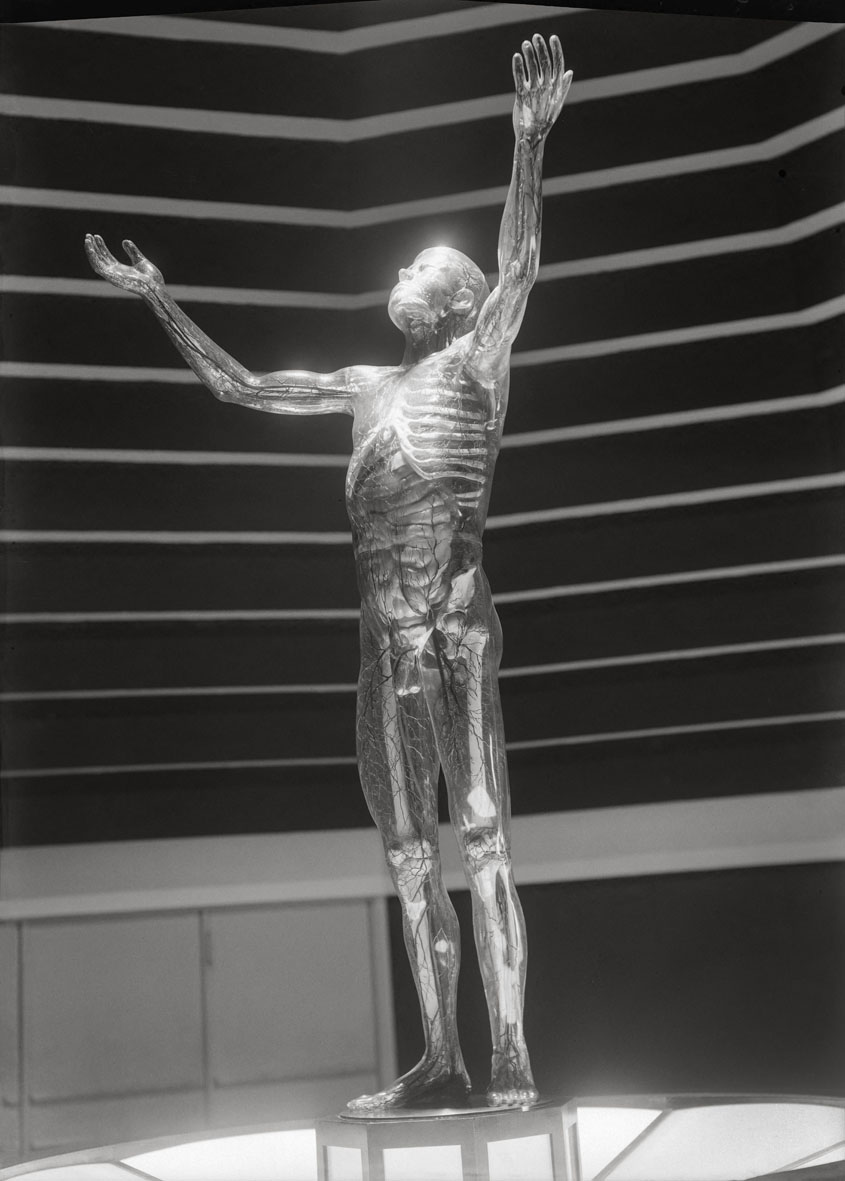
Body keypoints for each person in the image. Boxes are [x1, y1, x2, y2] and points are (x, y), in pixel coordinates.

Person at [85, 33, 572, 1109]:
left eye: (421, 270)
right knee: (407, 857)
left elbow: (524, 262)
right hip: (382, 643)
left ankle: (509, 1054)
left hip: (451, 621)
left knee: (482, 835)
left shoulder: (474, 360)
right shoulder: (363, 385)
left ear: (454, 302)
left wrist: (525, 146)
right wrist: (158, 298)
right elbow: (246, 389)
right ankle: (440, 1051)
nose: (401, 278)